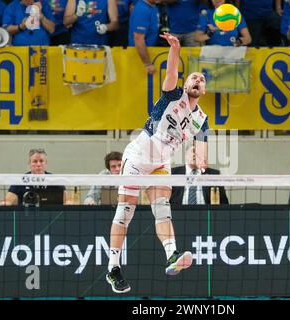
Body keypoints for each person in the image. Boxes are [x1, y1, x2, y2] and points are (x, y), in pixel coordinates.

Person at [106, 32, 209, 293]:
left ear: (204, 90)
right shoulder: (172, 95)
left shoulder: (202, 119)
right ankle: (113, 268)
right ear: (186, 86)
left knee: (162, 208)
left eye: (202, 79)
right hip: (138, 156)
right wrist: (174, 49)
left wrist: (201, 160)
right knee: (125, 212)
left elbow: (202, 147)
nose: (197, 80)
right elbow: (171, 72)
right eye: (193, 77)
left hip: (161, 163)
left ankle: (172, 255)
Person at [0, 148, 71, 206]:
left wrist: (69, 203)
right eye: (35, 161)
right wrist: (4, 203)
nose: (38, 164)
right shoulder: (20, 180)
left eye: (41, 161)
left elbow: (68, 200)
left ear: (46, 163)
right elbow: (8, 200)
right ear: (29, 164)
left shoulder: (56, 181)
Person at [128, 0, 160, 74]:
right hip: (139, 59)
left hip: (148, 55)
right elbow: (138, 39)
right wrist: (147, 64)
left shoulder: (152, 7)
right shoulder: (142, 10)